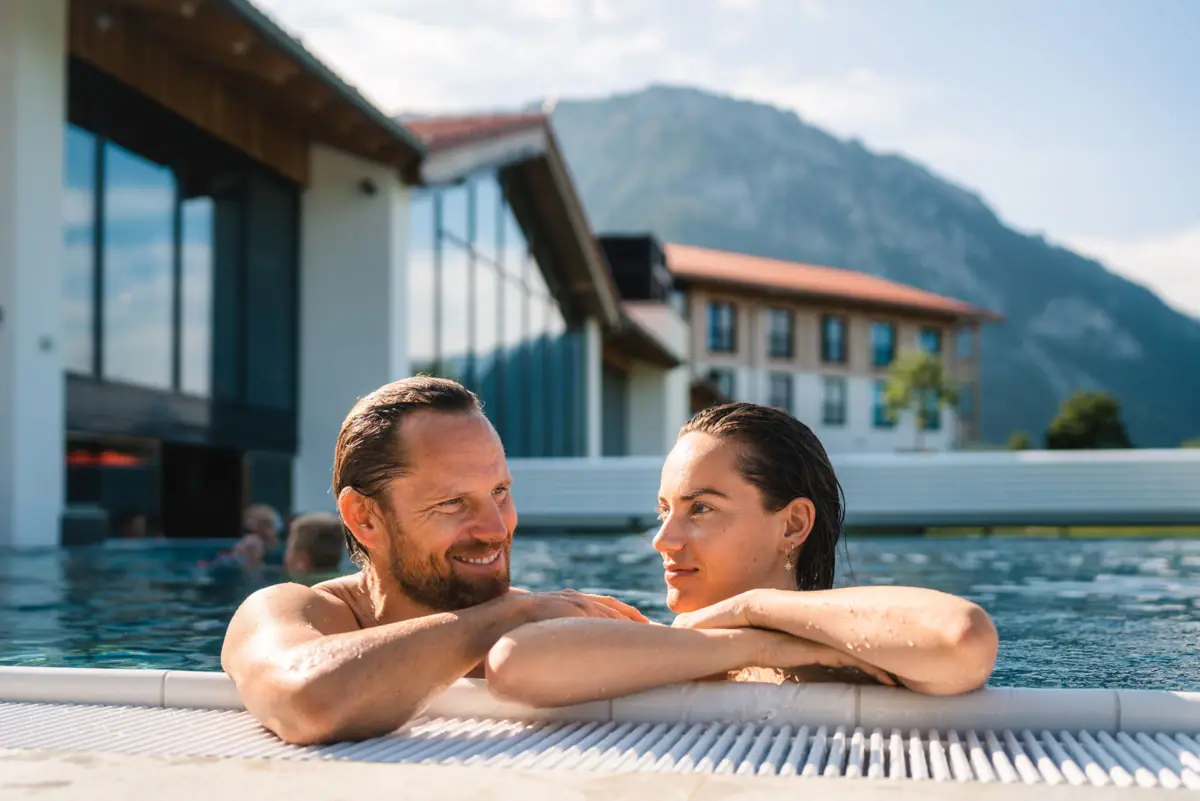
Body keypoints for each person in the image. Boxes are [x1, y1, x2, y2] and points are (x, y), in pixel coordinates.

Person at [485, 402, 1000, 708]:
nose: (663, 540)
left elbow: (964, 639)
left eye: (701, 509)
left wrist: (751, 609)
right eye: (663, 510)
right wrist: (757, 647)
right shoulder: (659, 647)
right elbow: (513, 666)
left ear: (793, 524)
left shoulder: (859, 658)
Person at [221, 377, 648, 745]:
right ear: (365, 518)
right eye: (452, 502)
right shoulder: (289, 611)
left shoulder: (540, 621)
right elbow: (308, 702)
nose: (497, 529)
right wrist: (509, 615)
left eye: (499, 492)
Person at [283, 512, 347, 577]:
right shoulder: (352, 583)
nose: (286, 556)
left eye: (289, 547)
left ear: (303, 559)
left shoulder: (281, 586)